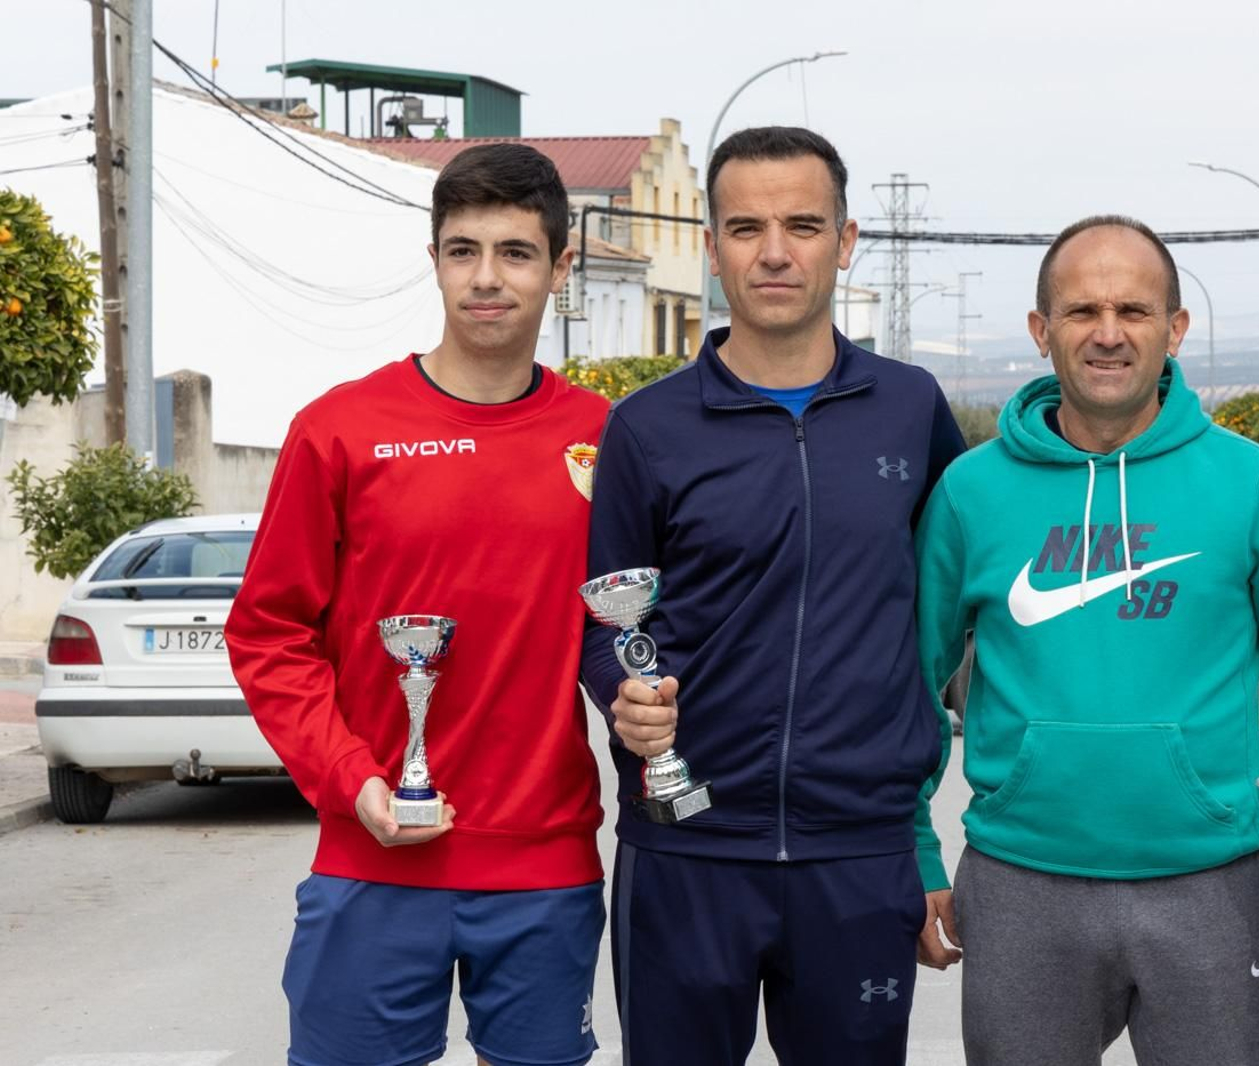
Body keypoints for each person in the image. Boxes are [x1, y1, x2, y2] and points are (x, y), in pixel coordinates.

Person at [914, 215, 1259, 1066]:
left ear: (1175, 330)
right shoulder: (970, 492)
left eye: (1134, 309)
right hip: (1021, 888)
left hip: (1213, 886)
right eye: (1083, 310)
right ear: (1041, 331)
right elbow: (905, 687)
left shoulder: (1248, 481)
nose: (1109, 333)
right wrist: (914, 848)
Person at [580, 126, 967, 1066]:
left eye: (803, 224)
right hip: (686, 850)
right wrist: (624, 701)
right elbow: (603, 622)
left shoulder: (912, 410)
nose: (776, 251)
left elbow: (956, 620)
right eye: (746, 227)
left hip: (858, 855)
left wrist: (919, 834)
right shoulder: (644, 427)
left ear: (846, 239)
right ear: (712, 248)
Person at [226, 144, 610, 1066]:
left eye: (516, 252)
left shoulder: (604, 440)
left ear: (561, 265)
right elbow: (269, 632)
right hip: (374, 856)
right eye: (462, 250)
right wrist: (351, 779)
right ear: (433, 258)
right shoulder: (340, 430)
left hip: (545, 869)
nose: (486, 278)